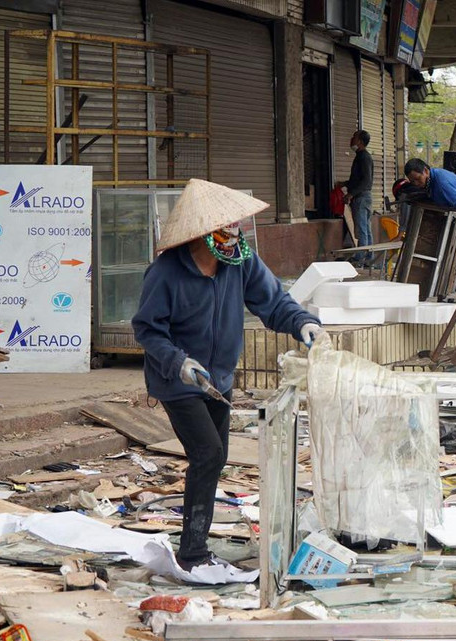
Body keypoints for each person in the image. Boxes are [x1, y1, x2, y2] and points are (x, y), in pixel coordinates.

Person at [133, 179, 322, 575]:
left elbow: (273, 301)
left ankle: (195, 543)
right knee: (208, 453)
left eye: (236, 231)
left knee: (213, 459)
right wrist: (178, 361)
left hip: (218, 378)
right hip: (178, 380)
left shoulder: (240, 261)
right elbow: (148, 329)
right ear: (201, 235)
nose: (233, 240)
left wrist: (303, 323)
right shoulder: (166, 272)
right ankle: (191, 553)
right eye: (224, 233)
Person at [404, 157, 456, 266]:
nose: (416, 183)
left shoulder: (440, 182)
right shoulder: (431, 181)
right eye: (412, 181)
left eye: (417, 178)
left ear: (425, 171)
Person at [342, 130, 374, 265]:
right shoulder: (360, 156)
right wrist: (344, 184)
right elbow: (358, 180)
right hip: (362, 197)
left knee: (362, 228)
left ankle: (361, 257)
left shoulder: (364, 157)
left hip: (361, 198)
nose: (351, 139)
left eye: (354, 137)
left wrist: (351, 193)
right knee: (365, 228)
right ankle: (368, 257)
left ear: (360, 141)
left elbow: (366, 181)